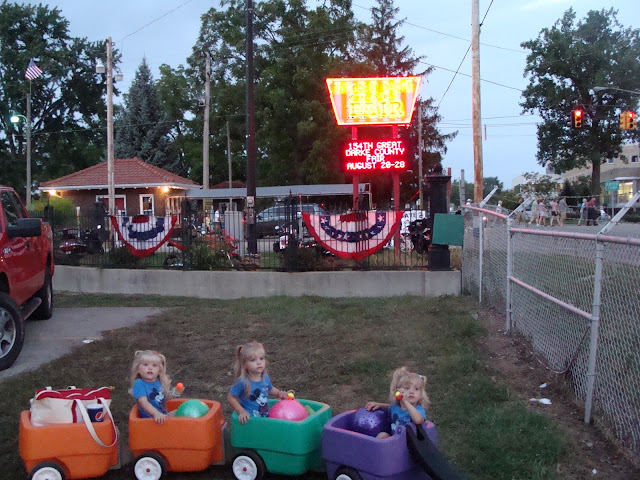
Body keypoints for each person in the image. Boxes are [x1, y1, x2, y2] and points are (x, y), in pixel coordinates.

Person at [227, 341, 288, 424]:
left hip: (265, 417)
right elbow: (231, 397)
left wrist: (279, 393)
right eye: (253, 360)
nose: (259, 362)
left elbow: (270, 389)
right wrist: (242, 411)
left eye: (261, 359)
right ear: (244, 365)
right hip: (250, 421)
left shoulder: (264, 377)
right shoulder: (243, 382)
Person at [365, 366, 430, 439]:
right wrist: (378, 404)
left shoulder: (418, 410)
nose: (411, 391)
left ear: (421, 395)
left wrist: (406, 401)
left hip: (411, 443)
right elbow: (389, 406)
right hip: (395, 442)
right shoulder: (395, 408)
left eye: (416, 389)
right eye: (407, 388)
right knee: (382, 435)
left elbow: (418, 420)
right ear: (398, 393)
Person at [130, 350, 174, 424]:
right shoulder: (139, 384)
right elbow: (143, 402)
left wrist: (175, 393)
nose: (150, 368)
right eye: (145, 365)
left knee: (185, 412)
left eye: (154, 365)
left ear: (159, 370)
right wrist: (156, 413)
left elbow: (165, 399)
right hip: (150, 420)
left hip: (163, 417)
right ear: (137, 369)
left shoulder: (159, 382)